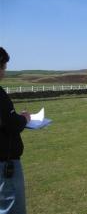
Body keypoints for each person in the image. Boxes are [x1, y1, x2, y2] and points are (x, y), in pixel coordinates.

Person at [0, 47, 31, 214]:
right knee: (12, 209)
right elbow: (12, 124)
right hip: (5, 164)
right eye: (3, 67)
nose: (4, 72)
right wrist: (24, 118)